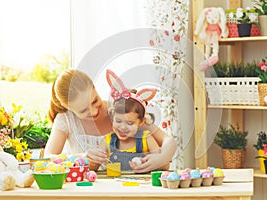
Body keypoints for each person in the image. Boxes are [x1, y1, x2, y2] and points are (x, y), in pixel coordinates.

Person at [44, 68, 176, 173]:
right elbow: (47, 158)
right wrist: (81, 157)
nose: (94, 111)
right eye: (83, 111)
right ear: (69, 109)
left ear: (95, 88)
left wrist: (161, 158)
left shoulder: (120, 110)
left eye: (95, 101)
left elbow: (168, 140)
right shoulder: (66, 120)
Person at [90, 69, 170, 172]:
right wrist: (91, 160)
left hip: (141, 187)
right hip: (114, 186)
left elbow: (165, 165)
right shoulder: (107, 141)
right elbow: (93, 168)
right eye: (118, 121)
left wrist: (154, 162)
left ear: (141, 122)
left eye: (129, 123)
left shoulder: (146, 139)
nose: (123, 127)